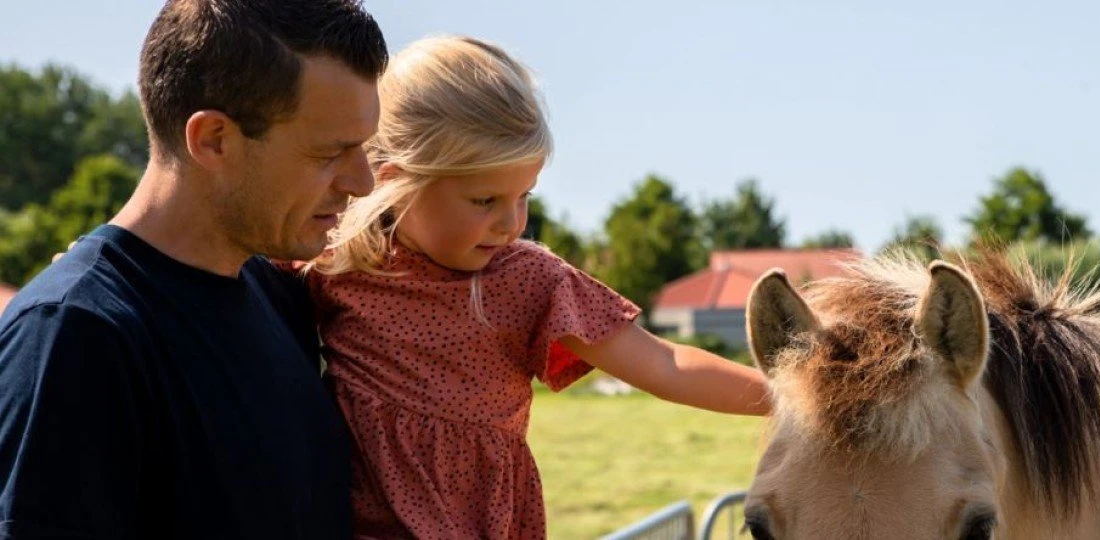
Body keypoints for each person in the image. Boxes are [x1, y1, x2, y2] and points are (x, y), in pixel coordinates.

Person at [301, 35, 770, 539]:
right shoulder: (334, 264)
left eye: (524, 195)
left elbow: (663, 363)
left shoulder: (527, 280)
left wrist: (790, 398)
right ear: (394, 181)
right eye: (485, 200)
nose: (512, 223)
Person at [0, 0, 387, 537]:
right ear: (213, 140)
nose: (363, 182)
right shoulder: (75, 334)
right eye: (330, 152)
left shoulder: (280, 296)